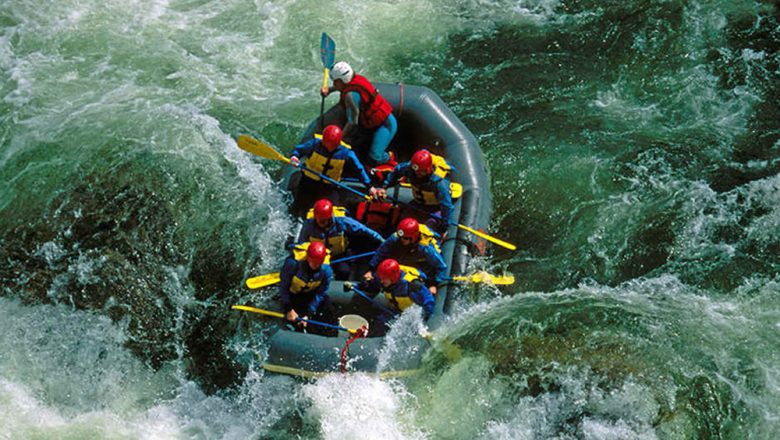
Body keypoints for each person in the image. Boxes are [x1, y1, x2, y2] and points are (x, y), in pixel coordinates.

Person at [321, 61, 397, 166]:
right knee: (355, 144)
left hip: (385, 125)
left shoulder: (350, 96)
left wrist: (339, 137)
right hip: (370, 125)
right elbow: (342, 86)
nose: (333, 84)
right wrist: (329, 90)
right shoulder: (352, 80)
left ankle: (389, 159)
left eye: (335, 82)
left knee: (374, 156)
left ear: (343, 80)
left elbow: (352, 122)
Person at [289, 124, 373, 215]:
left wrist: (369, 186)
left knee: (333, 211)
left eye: (332, 145)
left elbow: (359, 169)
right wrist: (294, 157)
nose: (329, 147)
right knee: (298, 207)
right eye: (327, 143)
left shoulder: (346, 153)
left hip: (329, 187)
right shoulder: (314, 144)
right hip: (308, 182)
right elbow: (299, 150)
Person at [297, 198, 385, 279]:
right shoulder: (309, 224)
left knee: (344, 271)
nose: (319, 223)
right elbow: (302, 243)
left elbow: (363, 229)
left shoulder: (342, 221)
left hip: (340, 255)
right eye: (318, 220)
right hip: (318, 257)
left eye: (322, 221)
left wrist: (381, 240)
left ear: (329, 219)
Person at [373, 148, 454, 234]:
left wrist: (444, 227)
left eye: (420, 172)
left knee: (428, 231)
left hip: (435, 209)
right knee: (402, 225)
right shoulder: (410, 169)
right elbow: (396, 171)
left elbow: (447, 206)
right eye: (415, 171)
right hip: (417, 203)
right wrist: (384, 187)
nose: (416, 174)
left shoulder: (439, 183)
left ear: (428, 169)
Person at [347, 258, 435, 335]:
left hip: (410, 314)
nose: (381, 281)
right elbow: (371, 286)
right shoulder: (384, 277)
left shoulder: (412, 286)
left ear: (393, 278)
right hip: (395, 310)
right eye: (380, 278)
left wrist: (423, 323)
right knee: (380, 322)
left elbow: (428, 303)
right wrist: (355, 286)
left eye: (384, 279)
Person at [366, 217, 447, 295]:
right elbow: (381, 251)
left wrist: (434, 284)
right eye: (401, 237)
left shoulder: (425, 247)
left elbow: (441, 266)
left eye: (405, 238)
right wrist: (371, 269)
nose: (402, 240)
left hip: (424, 262)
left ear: (413, 237)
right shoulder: (398, 236)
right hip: (410, 252)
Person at [278, 241, 337, 336]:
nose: (317, 265)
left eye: (319, 263)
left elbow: (320, 293)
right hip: (293, 294)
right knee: (296, 324)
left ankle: (332, 334)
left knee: (328, 306)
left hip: (309, 294)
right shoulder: (293, 264)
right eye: (314, 262)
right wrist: (289, 309)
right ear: (308, 258)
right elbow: (283, 287)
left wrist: (309, 313)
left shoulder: (326, 270)